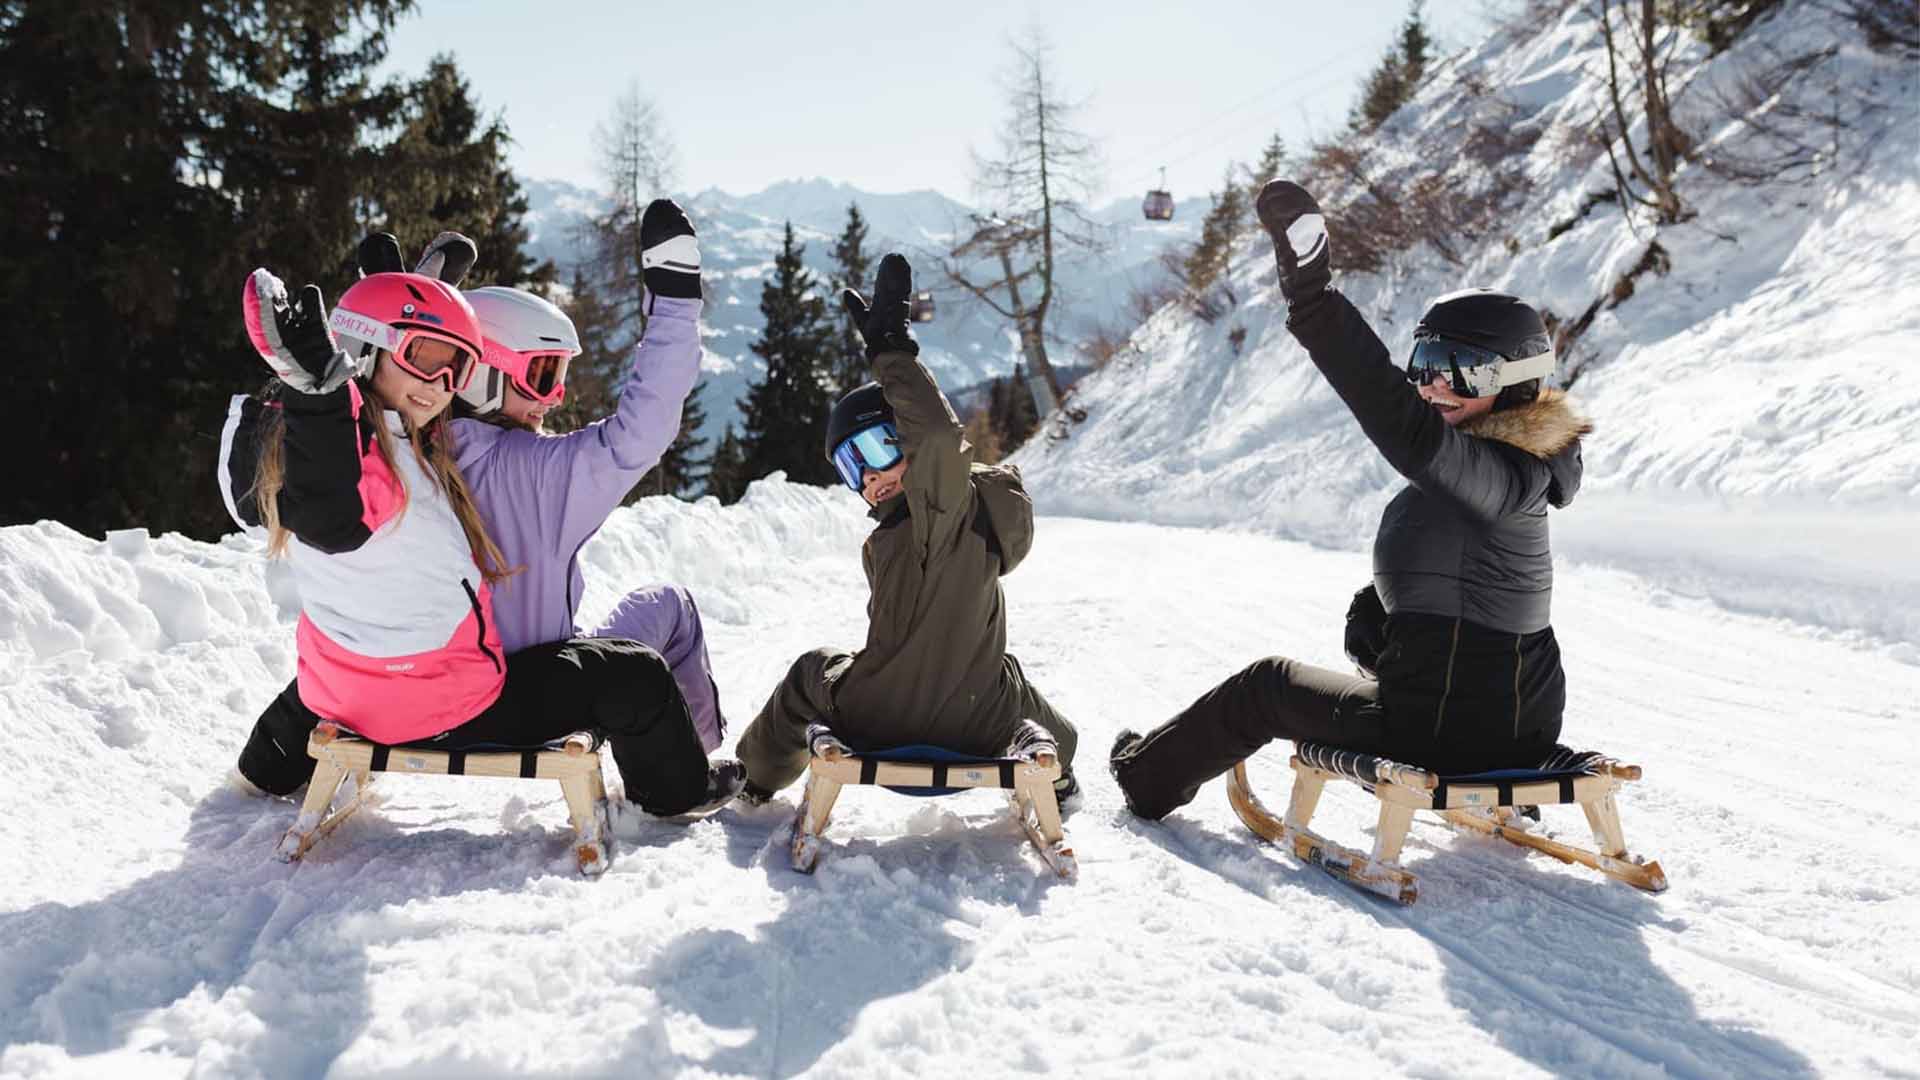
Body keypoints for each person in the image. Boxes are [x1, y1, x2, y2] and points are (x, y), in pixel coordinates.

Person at [1109, 180, 1592, 821]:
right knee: (1362, 645)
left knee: (1266, 685)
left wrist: (1314, 301)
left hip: (1443, 733)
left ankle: (1146, 777)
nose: (1433, 384)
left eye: (1462, 369)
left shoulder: (1498, 474)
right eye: (1424, 362)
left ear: (1514, 384)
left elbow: (1404, 426)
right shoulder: (1507, 471)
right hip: (1508, 721)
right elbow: (1459, 574)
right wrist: (1382, 612)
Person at [220, 265, 735, 817]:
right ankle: (679, 786)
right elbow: (333, 509)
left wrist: (384, 308)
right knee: (635, 668)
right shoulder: (514, 470)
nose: (554, 397)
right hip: (469, 697)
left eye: (455, 367)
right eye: (540, 373)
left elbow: (364, 407)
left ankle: (266, 766)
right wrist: (677, 296)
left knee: (342, 651)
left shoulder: (395, 444)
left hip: (351, 694)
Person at [732, 253, 1079, 805]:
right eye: (851, 466)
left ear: (911, 446)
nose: (870, 475)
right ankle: (1061, 775)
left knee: (812, 672)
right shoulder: (959, 520)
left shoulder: (939, 506)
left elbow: (939, 438)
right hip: (979, 722)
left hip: (881, 721)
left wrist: (891, 350)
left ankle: (751, 778)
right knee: (1005, 679)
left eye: (878, 448)